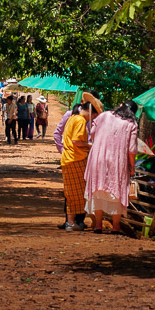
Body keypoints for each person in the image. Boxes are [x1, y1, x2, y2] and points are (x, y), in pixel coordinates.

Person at [84, 101, 139, 234]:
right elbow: (131, 150)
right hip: (117, 161)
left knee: (97, 190)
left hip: (98, 158)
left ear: (121, 106)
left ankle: (98, 225)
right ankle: (116, 227)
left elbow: (92, 133)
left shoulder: (104, 115)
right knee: (117, 192)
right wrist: (132, 167)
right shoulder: (131, 124)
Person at [61, 92, 103, 231]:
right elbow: (77, 141)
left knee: (72, 193)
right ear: (91, 112)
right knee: (79, 193)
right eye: (95, 116)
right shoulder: (79, 121)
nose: (93, 119)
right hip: (75, 159)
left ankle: (71, 222)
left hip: (69, 159)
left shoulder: (73, 118)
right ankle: (72, 222)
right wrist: (91, 145)